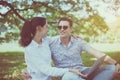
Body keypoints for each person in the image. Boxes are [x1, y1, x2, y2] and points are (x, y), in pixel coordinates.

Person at [22, 17, 120, 80]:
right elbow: (39, 63)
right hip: (67, 74)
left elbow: (96, 53)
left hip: (82, 70)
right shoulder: (51, 42)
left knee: (111, 68)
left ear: (71, 29)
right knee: (69, 77)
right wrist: (26, 70)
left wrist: (115, 63)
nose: (61, 29)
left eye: (65, 27)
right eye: (59, 27)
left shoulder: (77, 41)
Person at [19, 17, 86, 80]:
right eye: (46, 27)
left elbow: (60, 37)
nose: (48, 30)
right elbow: (47, 70)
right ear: (39, 28)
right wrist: (69, 70)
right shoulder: (30, 49)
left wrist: (71, 35)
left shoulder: (45, 41)